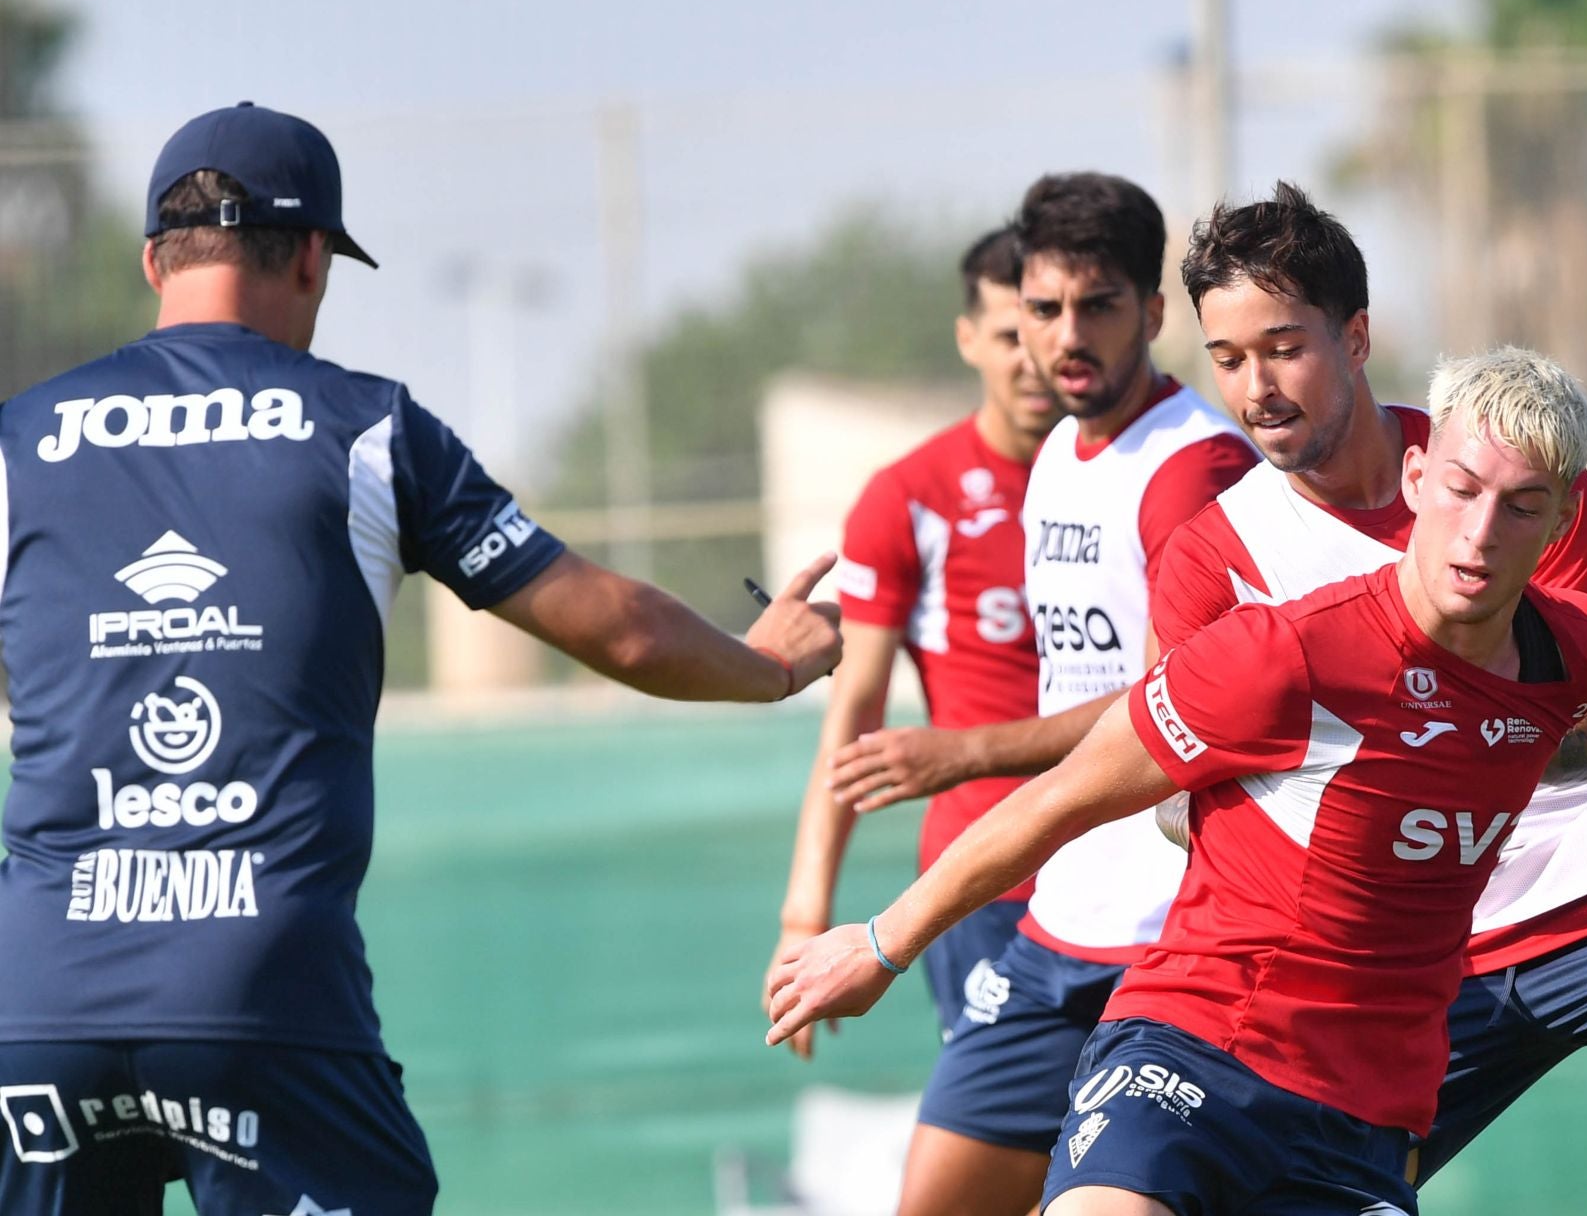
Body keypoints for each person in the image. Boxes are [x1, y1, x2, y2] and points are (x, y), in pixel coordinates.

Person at [0, 102, 842, 1216]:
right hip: (260, 993)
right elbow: (618, 624)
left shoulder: (21, 438)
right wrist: (766, 662)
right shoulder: (366, 429)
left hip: (39, 999)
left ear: (155, 258)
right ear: (311, 258)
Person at [767, 348, 1587, 1216]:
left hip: (1356, 1117)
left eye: (1521, 505)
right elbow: (1062, 796)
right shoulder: (1288, 654)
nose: (1480, 530)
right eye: (1459, 488)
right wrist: (882, 943)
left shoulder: (1574, 651)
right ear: (1416, 478)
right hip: (1194, 1046)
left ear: (1562, 521)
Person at [1152, 182, 1587, 1214]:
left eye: (1285, 346)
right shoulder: (1212, 551)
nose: (1259, 385)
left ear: (1357, 335)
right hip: (1410, 951)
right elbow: (1173, 795)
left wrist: (1347, 743)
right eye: (1229, 358)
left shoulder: (1500, 466)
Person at [820, 172, 1255, 1216]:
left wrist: (965, 750)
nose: (1068, 335)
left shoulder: (1193, 470)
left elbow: (1169, 709)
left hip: (1173, 941)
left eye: (1098, 306)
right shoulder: (1062, 450)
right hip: (1057, 926)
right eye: (1044, 308)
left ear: (1153, 314)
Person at [768, 226, 1060, 1056]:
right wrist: (804, 914)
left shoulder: (1140, 477)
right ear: (969, 338)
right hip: (987, 886)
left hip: (1134, 875)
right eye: (1010, 335)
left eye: (1045, 329)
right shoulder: (911, 497)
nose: (1032, 358)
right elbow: (854, 712)